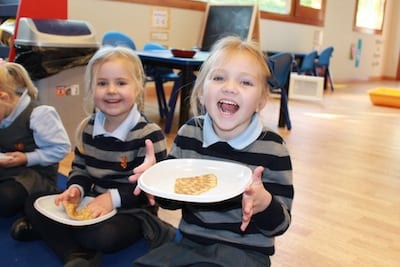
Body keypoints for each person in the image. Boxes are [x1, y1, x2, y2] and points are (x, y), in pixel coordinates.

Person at [131, 36, 294, 267]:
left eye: (246, 82)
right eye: (219, 78)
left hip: (246, 254)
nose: (230, 87)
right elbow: (172, 203)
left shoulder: (273, 148)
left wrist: (264, 203)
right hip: (190, 245)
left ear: (261, 101)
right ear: (200, 92)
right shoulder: (189, 134)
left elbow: (280, 225)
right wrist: (155, 182)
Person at [14, 46, 175, 267]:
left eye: (121, 83)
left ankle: (56, 235)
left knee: (103, 236)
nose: (111, 90)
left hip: (132, 211)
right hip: (91, 203)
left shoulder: (149, 135)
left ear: (138, 87)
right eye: (102, 83)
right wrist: (76, 189)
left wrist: (112, 199)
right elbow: (80, 169)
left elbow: (148, 189)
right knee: (34, 201)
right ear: (91, 89)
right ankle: (76, 254)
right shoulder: (88, 128)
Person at [0, 61, 70, 221]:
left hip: (36, 175)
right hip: (9, 170)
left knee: (6, 198)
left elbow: (61, 148)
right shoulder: (3, 112)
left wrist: (26, 158)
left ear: (3, 97)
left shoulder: (39, 114)